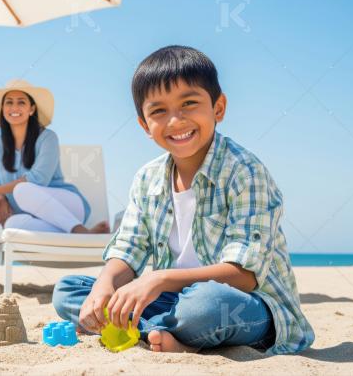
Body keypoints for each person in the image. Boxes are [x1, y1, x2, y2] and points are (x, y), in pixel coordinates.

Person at [52, 45, 314, 355]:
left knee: (207, 306)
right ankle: (168, 335)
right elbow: (129, 249)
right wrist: (104, 284)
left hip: (248, 306)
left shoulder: (244, 171)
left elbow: (243, 275)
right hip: (172, 301)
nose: (176, 120)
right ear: (144, 125)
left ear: (218, 108)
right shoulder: (147, 178)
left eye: (189, 103)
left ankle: (150, 329)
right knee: (68, 291)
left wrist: (159, 279)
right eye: (159, 111)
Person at [0, 79, 109, 234]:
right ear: (2, 108)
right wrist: (0, 198)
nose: (14, 107)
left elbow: (37, 179)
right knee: (12, 225)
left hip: (68, 206)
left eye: (21, 102)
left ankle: (77, 229)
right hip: (33, 216)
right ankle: (83, 234)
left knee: (22, 190)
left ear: (32, 109)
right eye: (9, 102)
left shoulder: (48, 138)